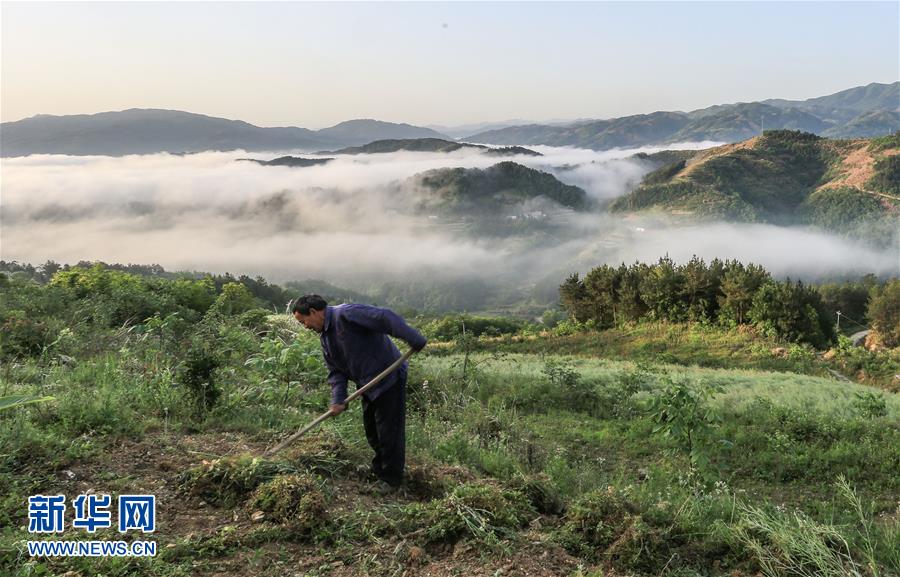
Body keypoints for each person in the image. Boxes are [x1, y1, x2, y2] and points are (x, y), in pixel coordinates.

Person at [290, 294, 426, 490]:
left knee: (389, 432)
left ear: (313, 312)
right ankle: (379, 470)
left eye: (304, 321)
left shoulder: (346, 314)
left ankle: (391, 479)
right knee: (372, 431)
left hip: (388, 378)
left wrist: (412, 337)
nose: (305, 326)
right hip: (367, 386)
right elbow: (336, 372)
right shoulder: (326, 339)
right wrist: (338, 399)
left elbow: (385, 317)